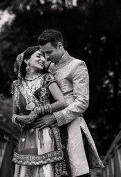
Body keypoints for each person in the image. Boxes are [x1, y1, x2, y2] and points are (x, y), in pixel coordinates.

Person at [33, 29, 104, 177]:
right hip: (49, 128)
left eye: (49, 52)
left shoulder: (78, 65)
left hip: (72, 127)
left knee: (77, 172)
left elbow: (82, 102)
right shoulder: (48, 67)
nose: (46, 56)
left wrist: (56, 117)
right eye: (43, 53)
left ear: (59, 46)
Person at [11, 46, 68, 177]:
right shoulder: (16, 85)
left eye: (44, 56)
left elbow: (62, 102)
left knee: (46, 171)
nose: (43, 59)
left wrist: (38, 110)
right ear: (26, 60)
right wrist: (21, 119)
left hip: (46, 132)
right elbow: (13, 115)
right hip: (26, 137)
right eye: (38, 56)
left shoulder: (47, 78)